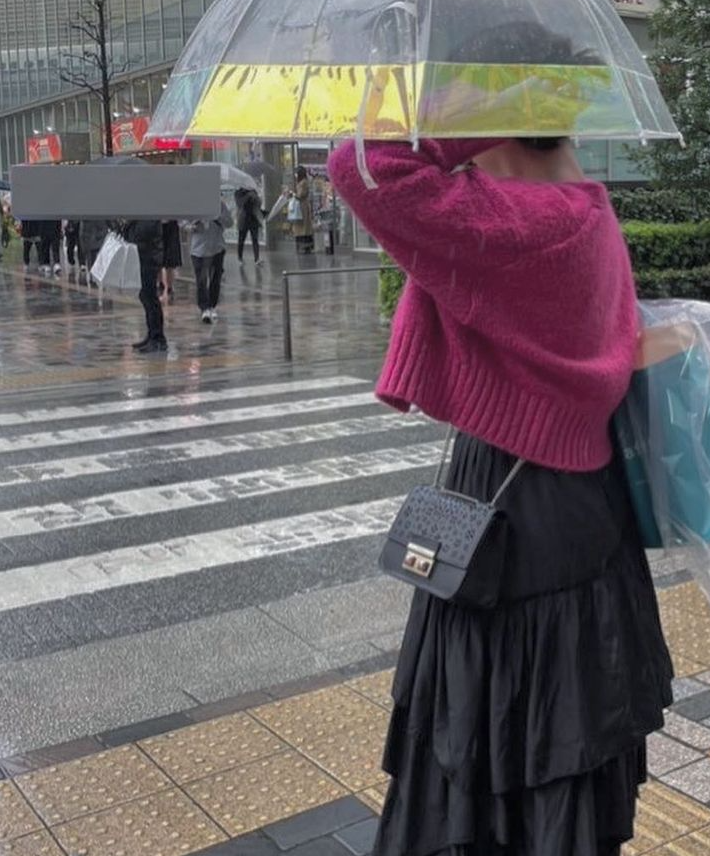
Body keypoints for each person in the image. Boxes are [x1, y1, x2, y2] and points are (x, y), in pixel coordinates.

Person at [328, 94, 674, 853]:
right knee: (563, 740)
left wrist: (469, 109)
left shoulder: (515, 222)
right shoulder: (587, 212)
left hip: (508, 505)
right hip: (587, 506)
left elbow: (359, 163)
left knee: (478, 730)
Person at [123, 219, 167, 352]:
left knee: (150, 298)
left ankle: (158, 338)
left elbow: (142, 233)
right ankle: (152, 334)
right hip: (143, 257)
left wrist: (130, 224)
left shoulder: (149, 215)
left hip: (149, 258)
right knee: (145, 297)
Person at [188, 201, 233, 324]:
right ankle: (204, 308)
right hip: (198, 249)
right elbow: (183, 222)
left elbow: (230, 222)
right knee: (201, 280)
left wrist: (218, 217)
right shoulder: (193, 204)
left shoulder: (220, 204)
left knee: (215, 278)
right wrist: (192, 226)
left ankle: (212, 306)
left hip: (217, 247)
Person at [235, 187, 263, 265]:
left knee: (255, 239)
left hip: (253, 219)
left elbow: (259, 204)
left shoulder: (253, 191)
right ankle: (240, 257)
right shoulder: (238, 192)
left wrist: (256, 197)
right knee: (241, 239)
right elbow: (239, 203)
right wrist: (248, 195)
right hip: (243, 219)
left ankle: (257, 258)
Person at [291, 166, 314, 254]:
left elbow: (300, 195)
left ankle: (305, 246)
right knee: (301, 226)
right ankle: (303, 246)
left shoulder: (303, 183)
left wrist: (293, 194)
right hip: (300, 206)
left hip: (302, 207)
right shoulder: (301, 182)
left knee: (303, 226)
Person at [158, 220, 182, 301]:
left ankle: (169, 289)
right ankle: (160, 286)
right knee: (157, 258)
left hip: (171, 224)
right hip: (156, 224)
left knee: (170, 261)